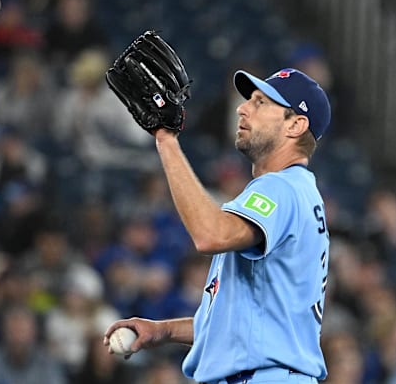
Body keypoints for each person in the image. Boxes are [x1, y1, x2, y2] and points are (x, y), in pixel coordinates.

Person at [104, 67, 333, 383]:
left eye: (261, 102)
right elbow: (236, 324)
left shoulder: (282, 189)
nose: (242, 107)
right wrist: (163, 330)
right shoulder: (298, 192)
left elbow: (210, 235)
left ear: (295, 125)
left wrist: (166, 140)